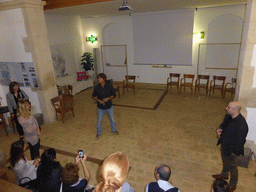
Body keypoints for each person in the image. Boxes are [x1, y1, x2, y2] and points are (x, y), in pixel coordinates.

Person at [212, 101, 248, 192]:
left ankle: (233, 185)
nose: (226, 108)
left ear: (235, 110)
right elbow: (223, 124)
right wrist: (220, 129)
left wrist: (233, 152)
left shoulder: (242, 124)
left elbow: (241, 141)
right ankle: (224, 174)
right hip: (224, 145)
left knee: (233, 168)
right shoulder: (228, 116)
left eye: (228, 107)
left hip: (232, 150)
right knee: (224, 160)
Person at [92, 73, 118, 138]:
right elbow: (93, 96)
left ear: (104, 79)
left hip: (109, 106)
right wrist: (98, 100)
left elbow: (114, 95)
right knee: (99, 121)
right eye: (98, 78)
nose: (99, 79)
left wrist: (108, 98)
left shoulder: (109, 85)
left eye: (100, 78)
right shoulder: (97, 87)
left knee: (112, 119)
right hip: (100, 107)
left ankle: (114, 130)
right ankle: (99, 133)